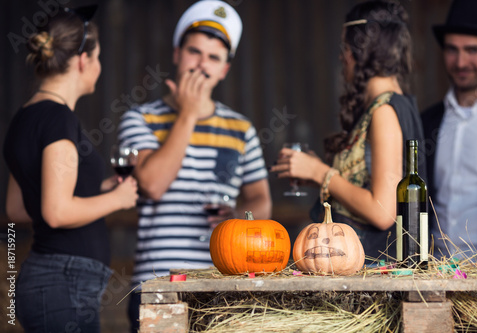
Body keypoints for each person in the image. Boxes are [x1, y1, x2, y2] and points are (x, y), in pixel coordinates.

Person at [117, 1, 271, 330]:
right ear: (177, 54)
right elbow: (152, 184)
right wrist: (188, 113)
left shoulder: (242, 129)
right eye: (194, 52)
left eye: (213, 58)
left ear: (225, 70)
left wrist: (236, 218)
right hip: (157, 286)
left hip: (221, 284)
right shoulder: (139, 119)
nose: (202, 65)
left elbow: (261, 199)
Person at [3, 5, 139, 333]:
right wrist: (119, 198)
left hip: (50, 281)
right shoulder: (59, 119)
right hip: (63, 283)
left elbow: (18, 208)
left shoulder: (24, 118)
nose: (99, 66)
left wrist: (97, 191)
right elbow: (56, 212)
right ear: (83, 61)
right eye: (98, 57)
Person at [271, 0, 427, 263]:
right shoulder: (387, 105)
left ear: (362, 51)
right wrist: (317, 174)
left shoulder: (384, 111)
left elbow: (381, 211)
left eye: (344, 47)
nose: (342, 57)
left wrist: (321, 173)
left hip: (375, 269)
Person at [421, 0, 477, 264]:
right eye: (452, 50)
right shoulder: (427, 121)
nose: (461, 61)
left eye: (473, 50)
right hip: (433, 278)